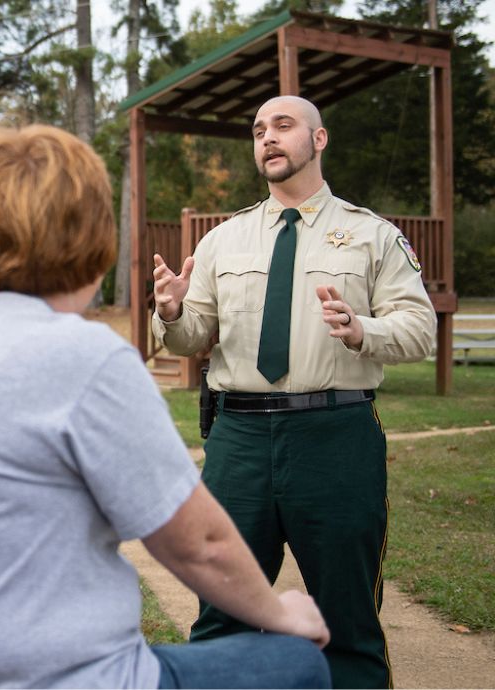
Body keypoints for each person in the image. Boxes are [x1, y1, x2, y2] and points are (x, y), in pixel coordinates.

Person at [0, 124, 331, 689]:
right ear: (90, 235)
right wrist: (283, 616)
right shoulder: (79, 353)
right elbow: (198, 544)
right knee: (298, 663)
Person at [151, 95, 436, 688]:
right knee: (221, 615)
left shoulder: (372, 235)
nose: (268, 139)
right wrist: (174, 311)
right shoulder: (222, 241)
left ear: (319, 139)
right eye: (258, 131)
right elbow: (192, 336)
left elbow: (419, 328)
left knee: (347, 620)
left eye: (282, 126)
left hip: (335, 437)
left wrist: (363, 330)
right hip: (239, 440)